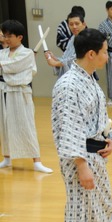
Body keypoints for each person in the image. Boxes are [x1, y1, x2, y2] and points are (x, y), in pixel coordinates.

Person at [51, 28, 112, 222]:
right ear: (91, 54)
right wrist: (81, 164)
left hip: (95, 152)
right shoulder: (68, 85)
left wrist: (110, 137)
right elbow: (69, 127)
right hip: (80, 155)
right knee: (80, 206)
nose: (108, 56)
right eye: (105, 52)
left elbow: (99, 117)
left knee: (102, 203)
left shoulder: (89, 78)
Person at [0, 20, 52, 173]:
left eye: (10, 36)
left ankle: (36, 161)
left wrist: (5, 66)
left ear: (20, 37)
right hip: (4, 92)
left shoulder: (27, 53)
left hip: (20, 93)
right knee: (5, 126)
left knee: (26, 125)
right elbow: (9, 67)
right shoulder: (3, 53)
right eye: (5, 36)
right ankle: (7, 158)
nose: (7, 39)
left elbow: (13, 66)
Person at [45, 12, 87, 77]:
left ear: (83, 24)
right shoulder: (73, 38)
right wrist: (54, 58)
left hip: (80, 76)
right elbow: (66, 58)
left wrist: (55, 63)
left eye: (77, 23)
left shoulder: (87, 38)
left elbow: (76, 60)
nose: (74, 27)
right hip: (69, 76)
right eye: (71, 24)